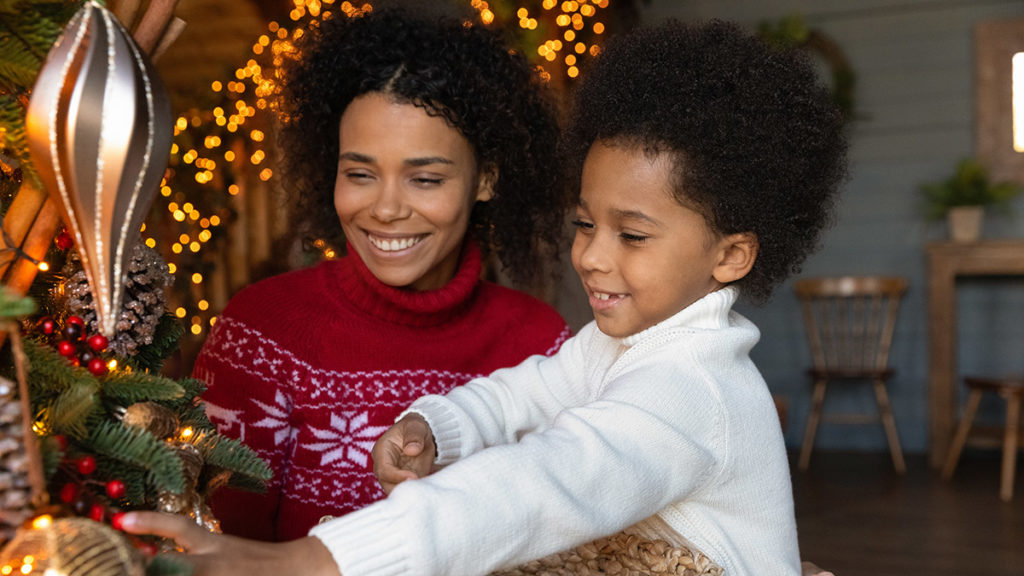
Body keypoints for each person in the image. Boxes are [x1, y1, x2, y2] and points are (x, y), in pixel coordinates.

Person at [123, 18, 848, 576]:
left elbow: (541, 483)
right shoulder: (622, 344)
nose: (591, 255)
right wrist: (439, 426)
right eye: (586, 225)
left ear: (731, 255)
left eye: (632, 236)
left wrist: (313, 562)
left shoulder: (695, 389)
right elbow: (520, 396)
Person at [191, 4, 570, 542]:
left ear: (485, 179)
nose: (386, 208)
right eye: (361, 173)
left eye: (425, 179)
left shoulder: (543, 345)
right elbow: (218, 552)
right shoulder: (260, 333)